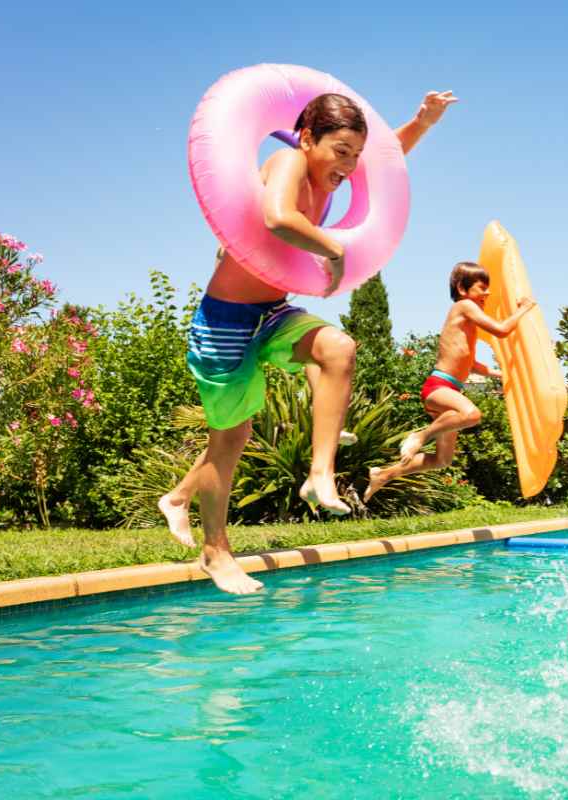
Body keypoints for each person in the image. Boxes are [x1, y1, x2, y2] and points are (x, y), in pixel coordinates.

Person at [160, 89, 458, 594]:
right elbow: (278, 217)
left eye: (355, 155)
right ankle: (214, 550)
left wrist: (422, 123)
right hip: (225, 321)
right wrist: (332, 247)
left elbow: (385, 165)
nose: (349, 165)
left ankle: (320, 473)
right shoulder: (287, 162)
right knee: (231, 439)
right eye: (340, 151)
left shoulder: (331, 176)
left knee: (338, 348)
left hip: (272, 312)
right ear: (306, 138)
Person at [362, 262, 536, 502]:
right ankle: (421, 436)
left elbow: (472, 364)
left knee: (441, 461)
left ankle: (383, 474)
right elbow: (502, 330)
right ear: (462, 289)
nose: (487, 293)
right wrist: (524, 309)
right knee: (472, 414)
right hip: (439, 387)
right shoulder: (464, 306)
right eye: (482, 287)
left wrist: (502, 375)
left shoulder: (468, 321)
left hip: (450, 390)